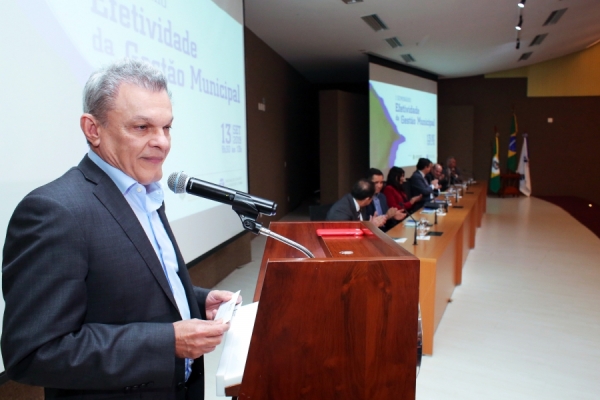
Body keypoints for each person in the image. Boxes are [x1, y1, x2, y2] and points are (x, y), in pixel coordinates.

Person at [1, 59, 239, 399]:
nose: (162, 142)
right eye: (142, 127)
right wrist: (167, 342)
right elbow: (33, 352)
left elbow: (129, 287)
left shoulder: (146, 191)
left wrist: (196, 302)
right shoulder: (54, 211)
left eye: (167, 127)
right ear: (92, 129)